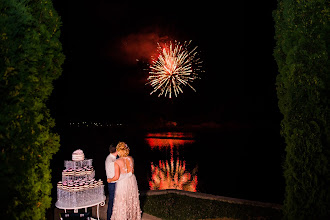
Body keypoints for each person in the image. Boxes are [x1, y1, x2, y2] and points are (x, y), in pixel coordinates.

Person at [107, 142, 141, 220]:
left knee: (122, 201)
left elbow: (116, 177)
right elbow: (131, 172)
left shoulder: (117, 162)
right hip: (132, 181)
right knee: (131, 199)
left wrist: (110, 180)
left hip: (123, 183)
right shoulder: (131, 159)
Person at [105, 145, 118, 220]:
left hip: (112, 182)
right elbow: (115, 176)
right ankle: (109, 218)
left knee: (112, 201)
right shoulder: (112, 161)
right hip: (113, 183)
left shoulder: (110, 158)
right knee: (112, 202)